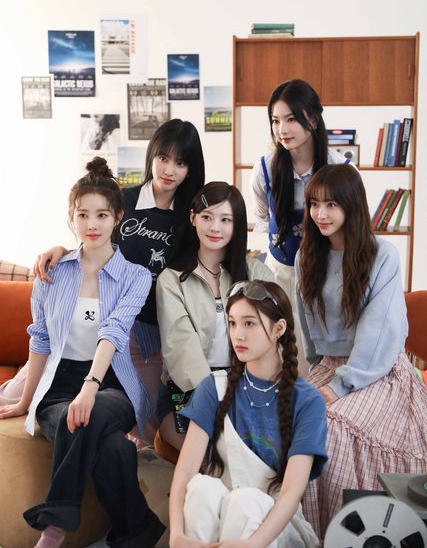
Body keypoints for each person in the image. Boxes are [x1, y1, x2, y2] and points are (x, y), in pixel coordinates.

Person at [0, 157, 165, 548]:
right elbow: (40, 339)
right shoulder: (52, 272)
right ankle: (140, 532)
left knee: (89, 413)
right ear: (71, 217)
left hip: (111, 384)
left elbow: (114, 330)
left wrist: (91, 386)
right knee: (111, 447)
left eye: (102, 215)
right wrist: (25, 399)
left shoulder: (135, 277)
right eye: (83, 214)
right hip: (58, 387)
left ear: (118, 217)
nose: (92, 224)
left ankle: (53, 528)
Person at [33, 119, 205, 443]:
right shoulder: (123, 200)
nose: (169, 170)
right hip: (106, 323)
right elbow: (93, 241)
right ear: (152, 155)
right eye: (163, 158)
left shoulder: (190, 218)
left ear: (190, 169)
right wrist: (62, 251)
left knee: (142, 424)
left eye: (181, 163)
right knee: (36, 389)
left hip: (152, 332)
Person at [295, 164, 427, 539]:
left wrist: (339, 386)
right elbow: (308, 328)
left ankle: (342, 536)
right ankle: (305, 535)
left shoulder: (382, 254)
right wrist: (318, 375)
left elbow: (379, 332)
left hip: (378, 371)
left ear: (351, 205)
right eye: (314, 204)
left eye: (331, 204)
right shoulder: (306, 256)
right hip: (330, 369)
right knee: (289, 419)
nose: (320, 214)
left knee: (332, 427)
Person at [168, 280, 327, 548]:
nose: (237, 335)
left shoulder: (307, 400)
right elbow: (184, 473)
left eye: (249, 323)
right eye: (232, 323)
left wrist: (253, 543)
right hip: (217, 520)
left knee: (244, 502)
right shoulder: (213, 388)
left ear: (279, 329)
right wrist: (176, 535)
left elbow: (291, 492)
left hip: (275, 529)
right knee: (201, 488)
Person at [156, 181, 275, 453]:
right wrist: (218, 403)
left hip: (247, 387)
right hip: (188, 390)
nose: (215, 228)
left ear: (237, 224)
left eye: (225, 220)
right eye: (207, 217)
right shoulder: (171, 280)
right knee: (210, 458)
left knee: (259, 456)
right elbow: (181, 350)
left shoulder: (259, 275)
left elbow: (273, 342)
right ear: (193, 218)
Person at [250, 79, 349, 376]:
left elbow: (353, 227)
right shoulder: (264, 169)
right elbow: (263, 219)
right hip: (279, 273)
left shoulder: (339, 169)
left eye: (291, 119)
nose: (282, 129)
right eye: (275, 120)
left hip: (325, 274)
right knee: (277, 356)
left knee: (320, 357)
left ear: (313, 119)